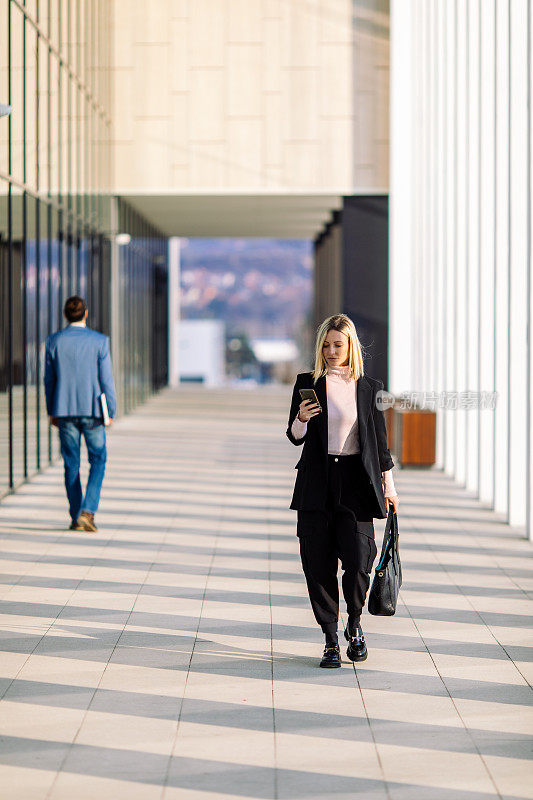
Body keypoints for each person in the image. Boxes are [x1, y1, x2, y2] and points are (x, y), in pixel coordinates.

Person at [286, 314, 400, 668]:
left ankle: (354, 622)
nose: (332, 351)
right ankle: (330, 640)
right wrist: (302, 419)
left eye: (338, 344)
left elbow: (380, 445)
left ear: (351, 346)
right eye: (326, 344)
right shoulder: (308, 382)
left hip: (355, 484)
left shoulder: (370, 388)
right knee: (317, 565)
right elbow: (294, 436)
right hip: (316, 483)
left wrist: (389, 487)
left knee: (358, 559)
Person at [44, 296, 117, 532]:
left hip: (64, 410)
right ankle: (88, 511)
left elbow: (49, 381)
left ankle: (76, 516)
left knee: (71, 463)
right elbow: (106, 380)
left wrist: (51, 410)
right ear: (85, 313)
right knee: (98, 459)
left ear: (66, 314)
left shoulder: (54, 341)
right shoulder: (100, 342)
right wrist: (111, 411)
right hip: (93, 411)